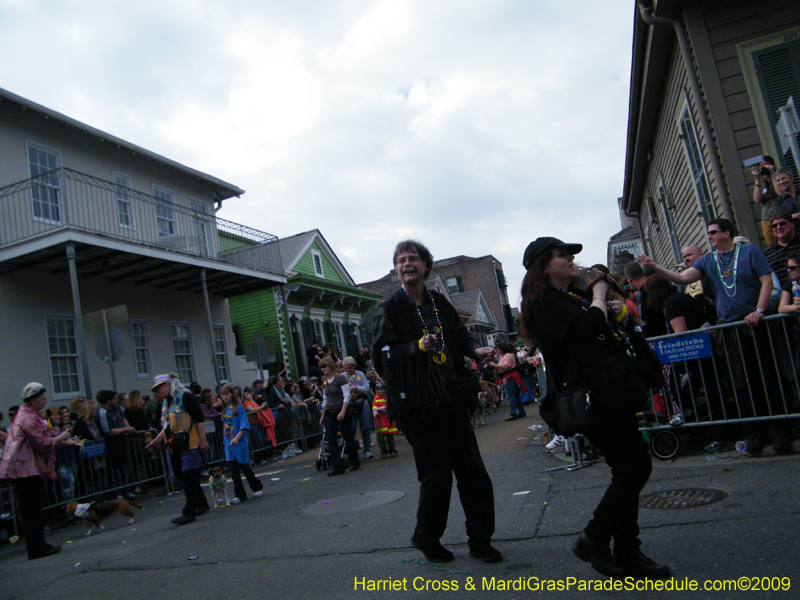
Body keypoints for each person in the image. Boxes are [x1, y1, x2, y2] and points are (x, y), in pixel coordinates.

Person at [520, 237, 670, 579]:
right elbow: (589, 326)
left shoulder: (566, 296)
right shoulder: (543, 302)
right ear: (543, 265)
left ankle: (627, 550)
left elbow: (600, 328)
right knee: (635, 468)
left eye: (571, 254)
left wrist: (612, 310)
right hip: (594, 398)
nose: (571, 259)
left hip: (610, 391)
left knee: (627, 468)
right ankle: (595, 537)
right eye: (562, 255)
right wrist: (599, 296)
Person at [372, 239, 500, 564]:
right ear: (397, 269)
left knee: (474, 474)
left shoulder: (439, 302)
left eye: (412, 258)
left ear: (426, 266)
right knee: (436, 480)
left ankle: (480, 541)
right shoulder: (389, 309)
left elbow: (460, 335)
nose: (406, 263)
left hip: (454, 400)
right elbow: (381, 359)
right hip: (420, 408)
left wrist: (475, 350)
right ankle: (427, 538)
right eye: (400, 260)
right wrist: (416, 346)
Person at [639, 218, 790, 455]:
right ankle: (756, 433)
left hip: (756, 324)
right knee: (742, 383)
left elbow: (767, 280)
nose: (709, 236)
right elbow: (682, 278)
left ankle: (781, 432)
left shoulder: (749, 251)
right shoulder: (709, 260)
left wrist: (759, 310)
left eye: (713, 232)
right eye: (708, 233)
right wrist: (655, 266)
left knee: (767, 377)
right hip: (729, 329)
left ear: (727, 233)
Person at [0, 383, 82, 559]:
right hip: (25, 470)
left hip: (26, 468)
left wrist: (55, 437)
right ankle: (36, 548)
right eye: (43, 399)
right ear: (33, 400)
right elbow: (41, 443)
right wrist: (59, 437)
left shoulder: (28, 415)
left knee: (33, 510)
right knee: (32, 511)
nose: (45, 403)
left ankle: (38, 545)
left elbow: (40, 439)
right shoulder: (27, 418)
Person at [145, 373, 211, 525]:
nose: (157, 392)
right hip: (175, 446)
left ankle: (188, 512)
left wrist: (203, 440)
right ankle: (202, 504)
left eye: (159, 387)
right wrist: (156, 441)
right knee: (185, 477)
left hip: (191, 444)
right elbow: (166, 426)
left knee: (189, 477)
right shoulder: (166, 403)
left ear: (168, 384)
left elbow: (199, 418)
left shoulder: (185, 397)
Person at [219, 384, 264, 504]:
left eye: (227, 394)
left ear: (232, 394)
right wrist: (226, 439)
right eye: (223, 394)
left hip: (239, 441)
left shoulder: (238, 408)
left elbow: (244, 426)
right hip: (229, 442)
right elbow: (225, 426)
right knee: (233, 469)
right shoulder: (224, 409)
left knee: (244, 466)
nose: (225, 397)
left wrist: (237, 438)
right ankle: (239, 494)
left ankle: (256, 486)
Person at [318, 356, 360, 475]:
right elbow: (325, 398)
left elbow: (347, 395)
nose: (323, 369)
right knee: (331, 438)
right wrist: (323, 415)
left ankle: (354, 462)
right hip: (330, 412)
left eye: (324, 366)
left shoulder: (340, 378)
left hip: (342, 410)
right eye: (321, 367)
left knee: (348, 436)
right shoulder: (325, 381)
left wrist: (342, 411)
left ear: (330, 365)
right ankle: (338, 467)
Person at [488, 342, 529, 421]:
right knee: (515, 396)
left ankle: (513, 413)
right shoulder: (505, 356)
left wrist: (494, 365)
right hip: (508, 377)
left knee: (511, 396)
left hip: (509, 377)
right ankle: (521, 412)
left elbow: (506, 367)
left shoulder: (507, 356)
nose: (497, 351)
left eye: (498, 349)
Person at [344, 356, 374, 459]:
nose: (348, 370)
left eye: (350, 368)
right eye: (346, 368)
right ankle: (353, 450)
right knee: (351, 427)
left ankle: (367, 449)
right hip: (350, 403)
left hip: (362, 401)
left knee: (364, 427)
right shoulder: (343, 376)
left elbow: (366, 388)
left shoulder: (360, 375)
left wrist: (357, 388)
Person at [763, 211, 800, 288]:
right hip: (781, 296)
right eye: (774, 226)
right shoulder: (767, 254)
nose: (778, 227)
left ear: (792, 224)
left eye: (782, 223)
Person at [751, 155, 779, 245]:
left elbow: (780, 193)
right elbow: (757, 199)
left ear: (773, 165)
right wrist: (757, 179)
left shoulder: (780, 178)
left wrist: (772, 174)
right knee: (773, 246)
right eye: (761, 167)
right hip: (767, 217)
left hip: (781, 214)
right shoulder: (762, 182)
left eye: (765, 166)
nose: (764, 169)